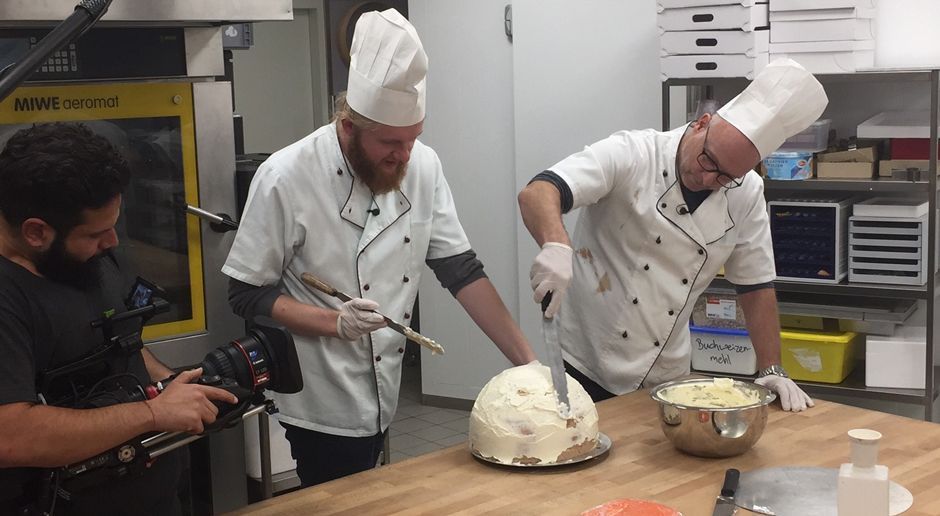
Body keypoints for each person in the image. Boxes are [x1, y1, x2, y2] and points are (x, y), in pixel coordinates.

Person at [223, 8, 536, 487]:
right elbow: (245, 293)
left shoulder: (423, 166)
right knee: (336, 495)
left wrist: (528, 364)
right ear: (348, 127)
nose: (404, 156)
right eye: (390, 143)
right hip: (319, 392)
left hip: (383, 385)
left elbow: (461, 270)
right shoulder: (287, 176)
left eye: (413, 139)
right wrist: (335, 322)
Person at [518, 59, 828, 412]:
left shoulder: (747, 191)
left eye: (726, 176)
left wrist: (771, 369)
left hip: (668, 373)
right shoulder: (634, 154)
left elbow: (755, 285)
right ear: (701, 124)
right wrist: (556, 245)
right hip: (588, 362)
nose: (710, 179)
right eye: (708, 161)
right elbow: (540, 192)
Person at [0, 123, 238, 516]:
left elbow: (126, 340)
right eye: (96, 234)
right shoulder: (10, 297)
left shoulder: (84, 259)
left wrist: (172, 385)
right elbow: (11, 435)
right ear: (36, 232)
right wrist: (152, 413)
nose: (111, 243)